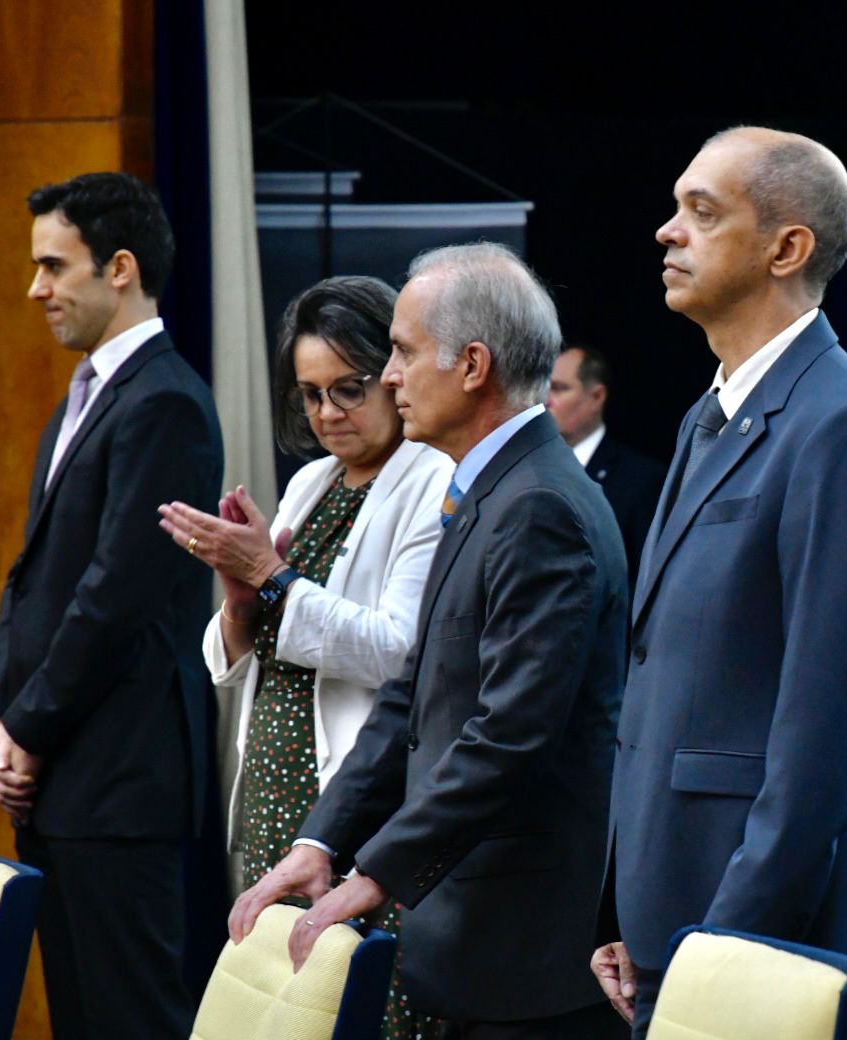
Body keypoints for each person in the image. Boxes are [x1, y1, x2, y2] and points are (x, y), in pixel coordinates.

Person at [229, 242, 628, 1039]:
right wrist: (321, 839)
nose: (387, 377)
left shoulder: (537, 504)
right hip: (474, 935)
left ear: (473, 364)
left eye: (403, 353)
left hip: (526, 955)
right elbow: (412, 695)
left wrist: (373, 871)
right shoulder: (486, 483)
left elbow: (510, 735)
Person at [591, 127, 847, 1036]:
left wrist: (724, 945)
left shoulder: (845, 421)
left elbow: (830, 719)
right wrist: (632, 912)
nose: (666, 232)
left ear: (786, 248)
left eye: (700, 212)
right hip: (677, 915)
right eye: (673, 208)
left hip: (762, 933)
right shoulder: (710, 413)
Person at [157, 275, 453, 1039]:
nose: (327, 413)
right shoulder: (311, 483)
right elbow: (231, 661)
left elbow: (402, 656)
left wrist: (273, 576)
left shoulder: (434, 480)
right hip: (272, 800)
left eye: (348, 389)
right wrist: (240, 598)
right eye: (310, 393)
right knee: (274, 1014)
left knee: (360, 1012)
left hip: (356, 808)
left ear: (393, 372)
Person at [0, 171, 222, 1040]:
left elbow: (116, 596)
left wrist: (28, 730)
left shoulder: (164, 401)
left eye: (54, 265)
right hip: (63, 780)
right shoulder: (84, 395)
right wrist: (0, 717)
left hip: (120, 782)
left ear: (119, 268)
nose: (35, 288)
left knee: (129, 1022)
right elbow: (31, 576)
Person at [547, 343, 667, 590]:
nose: (545, 401)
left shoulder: (641, 480)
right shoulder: (531, 472)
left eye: (558, 389)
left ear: (597, 397)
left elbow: (648, 582)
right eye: (542, 389)